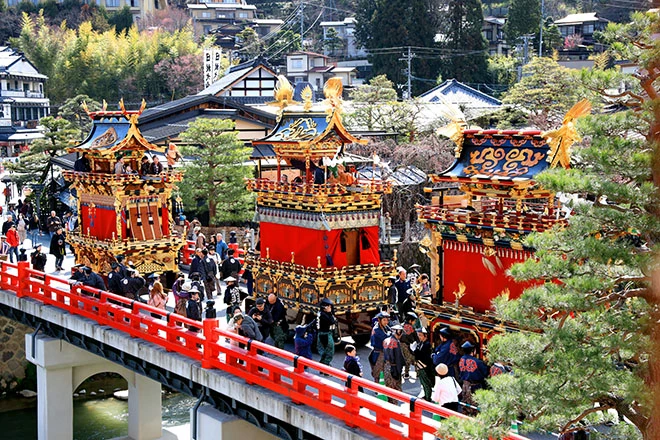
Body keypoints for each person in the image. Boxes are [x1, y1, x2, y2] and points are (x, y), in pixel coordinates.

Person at [458, 341, 489, 415]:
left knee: (465, 404)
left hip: (465, 384)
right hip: (475, 386)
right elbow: (485, 373)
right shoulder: (478, 362)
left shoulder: (461, 359)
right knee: (476, 406)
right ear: (473, 351)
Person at [383, 324, 405, 401]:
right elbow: (398, 358)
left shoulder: (385, 341)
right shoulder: (396, 342)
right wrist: (399, 371)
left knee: (389, 390)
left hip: (386, 367)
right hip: (394, 368)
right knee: (395, 391)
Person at [412, 327, 434, 401]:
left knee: (426, 383)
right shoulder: (421, 343)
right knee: (423, 383)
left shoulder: (427, 345)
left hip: (425, 366)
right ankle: (426, 395)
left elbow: (422, 356)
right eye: (418, 335)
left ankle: (428, 397)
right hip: (420, 365)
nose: (419, 337)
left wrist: (415, 351)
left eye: (420, 335)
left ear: (425, 335)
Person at [317, 298, 337, 371]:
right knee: (329, 352)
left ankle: (322, 367)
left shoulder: (320, 313)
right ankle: (326, 368)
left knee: (324, 352)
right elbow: (332, 321)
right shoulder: (324, 315)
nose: (330, 308)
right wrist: (330, 313)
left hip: (322, 334)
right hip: (325, 334)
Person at [370, 311, 390, 382]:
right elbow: (387, 337)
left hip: (383, 351)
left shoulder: (384, 327)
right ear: (379, 320)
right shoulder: (377, 329)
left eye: (387, 320)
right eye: (384, 320)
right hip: (379, 352)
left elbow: (390, 331)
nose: (386, 322)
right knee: (378, 371)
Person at [399, 312, 419, 380]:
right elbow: (414, 337)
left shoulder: (402, 325)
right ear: (410, 320)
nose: (414, 322)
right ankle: (415, 373)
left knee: (406, 359)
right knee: (412, 359)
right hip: (408, 345)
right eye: (414, 321)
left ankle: (406, 373)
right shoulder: (411, 327)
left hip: (401, 345)